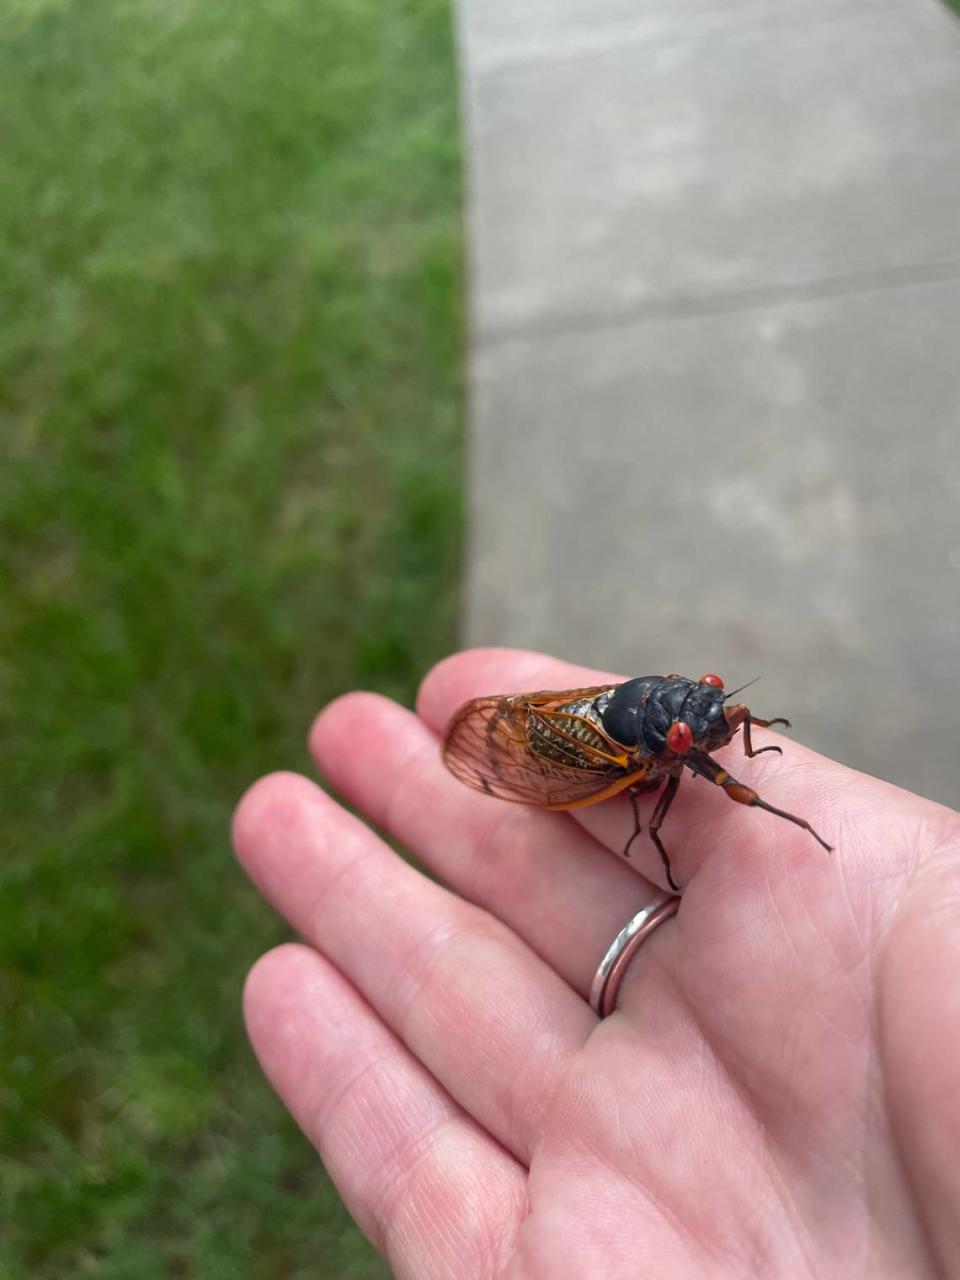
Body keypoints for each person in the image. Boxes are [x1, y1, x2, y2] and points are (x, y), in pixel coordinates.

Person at [232, 647, 960, 1278]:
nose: (711, 720)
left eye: (711, 700)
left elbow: (718, 723)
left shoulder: (695, 718)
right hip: (591, 745)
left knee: (687, 760)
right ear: (671, 742)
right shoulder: (652, 758)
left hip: (624, 715)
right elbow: (659, 796)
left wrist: (749, 733)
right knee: (643, 809)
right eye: (689, 730)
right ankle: (545, 740)